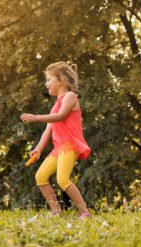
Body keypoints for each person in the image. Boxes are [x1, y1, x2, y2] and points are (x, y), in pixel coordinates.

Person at [20, 62, 92, 219]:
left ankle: (85, 212)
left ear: (61, 80)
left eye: (48, 79)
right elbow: (49, 128)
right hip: (59, 147)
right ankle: (56, 211)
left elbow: (61, 116)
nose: (46, 84)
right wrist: (39, 148)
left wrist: (36, 117)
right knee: (40, 176)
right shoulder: (55, 105)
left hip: (70, 145)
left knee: (62, 179)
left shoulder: (70, 97)